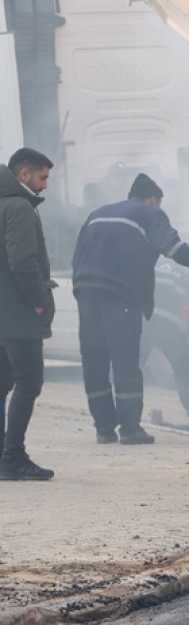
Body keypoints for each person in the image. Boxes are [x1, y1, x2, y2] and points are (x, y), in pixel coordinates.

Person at [71, 173, 189, 445]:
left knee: (94, 359)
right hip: (119, 294)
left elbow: (78, 252)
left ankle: (104, 429)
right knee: (126, 361)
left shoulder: (98, 213)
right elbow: (173, 247)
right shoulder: (149, 214)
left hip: (86, 290)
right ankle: (130, 429)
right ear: (153, 200)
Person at [0, 148, 57, 481]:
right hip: (19, 314)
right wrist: (38, 299)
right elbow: (22, 260)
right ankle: (13, 457)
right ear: (24, 173)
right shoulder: (19, 207)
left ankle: (3, 458)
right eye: (42, 177)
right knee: (29, 382)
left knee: (3, 385)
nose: (45, 185)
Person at [141, 262, 189, 427]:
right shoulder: (185, 276)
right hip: (169, 325)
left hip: (142, 320)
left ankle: (124, 416)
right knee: (183, 369)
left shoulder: (144, 263)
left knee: (132, 369)